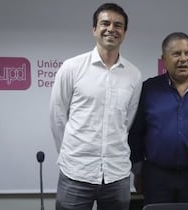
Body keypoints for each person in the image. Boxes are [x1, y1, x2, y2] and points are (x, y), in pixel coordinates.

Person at [49, 3, 142, 210]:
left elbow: (126, 122)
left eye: (118, 25)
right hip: (76, 172)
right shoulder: (72, 68)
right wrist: (70, 153)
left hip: (116, 174)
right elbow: (57, 117)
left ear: (124, 33)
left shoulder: (134, 75)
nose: (111, 29)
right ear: (94, 29)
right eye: (105, 23)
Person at [128, 32, 188, 204]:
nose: (183, 59)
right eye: (176, 54)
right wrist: (139, 170)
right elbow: (136, 132)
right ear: (164, 59)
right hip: (157, 176)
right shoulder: (149, 89)